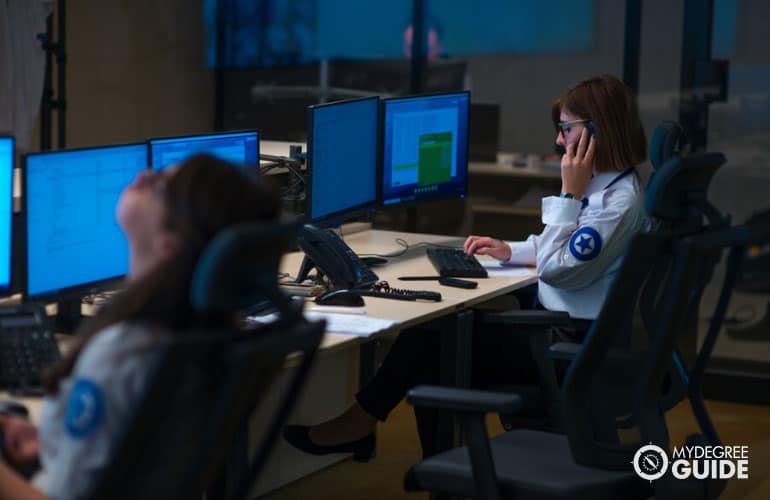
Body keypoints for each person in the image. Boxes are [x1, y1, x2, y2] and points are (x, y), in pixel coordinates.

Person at [283, 74, 649, 460]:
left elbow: (558, 268)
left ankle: (378, 437)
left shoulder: (615, 206)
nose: (558, 141)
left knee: (431, 343)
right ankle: (390, 441)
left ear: (597, 132)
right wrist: (511, 249)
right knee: (436, 333)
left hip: (567, 351)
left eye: (565, 129)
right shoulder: (611, 188)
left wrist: (568, 195)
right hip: (569, 335)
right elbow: (561, 251)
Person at [0, 154, 280, 499]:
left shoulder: (121, 353)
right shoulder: (203, 336)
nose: (145, 174)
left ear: (169, 246)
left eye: (160, 184)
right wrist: (47, 437)